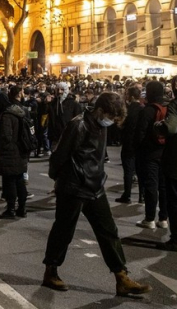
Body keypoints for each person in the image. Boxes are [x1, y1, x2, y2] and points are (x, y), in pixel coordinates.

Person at [43, 92, 151, 297]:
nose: (111, 121)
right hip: (73, 188)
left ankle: (121, 277)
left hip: (95, 187)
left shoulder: (101, 126)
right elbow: (59, 156)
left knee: (108, 231)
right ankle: (51, 271)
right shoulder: (78, 125)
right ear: (100, 110)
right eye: (110, 116)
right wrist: (58, 180)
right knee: (63, 231)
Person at [133, 81, 168, 229]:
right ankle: (164, 218)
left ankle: (149, 218)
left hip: (149, 154)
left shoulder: (147, 111)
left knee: (151, 186)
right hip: (165, 153)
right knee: (164, 186)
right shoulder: (168, 108)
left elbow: (139, 134)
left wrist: (138, 150)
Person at [0, 86, 30, 219]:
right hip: (22, 149)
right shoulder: (23, 110)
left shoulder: (7, 115)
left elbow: (6, 136)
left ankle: (10, 209)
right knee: (20, 179)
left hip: (10, 152)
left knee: (9, 181)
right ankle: (22, 208)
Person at [157, 75, 177, 251]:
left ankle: (176, 238)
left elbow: (170, 127)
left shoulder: (175, 104)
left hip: (175, 160)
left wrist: (158, 126)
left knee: (174, 200)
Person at [116, 85, 143, 204]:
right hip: (140, 144)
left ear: (131, 96)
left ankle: (127, 195)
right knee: (141, 170)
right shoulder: (143, 109)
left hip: (128, 143)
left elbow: (121, 125)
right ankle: (142, 195)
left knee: (128, 171)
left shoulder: (127, 110)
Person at [48, 82, 81, 150]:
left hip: (69, 134)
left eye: (62, 89)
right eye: (58, 89)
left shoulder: (73, 104)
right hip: (56, 134)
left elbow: (78, 119)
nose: (59, 92)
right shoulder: (53, 103)